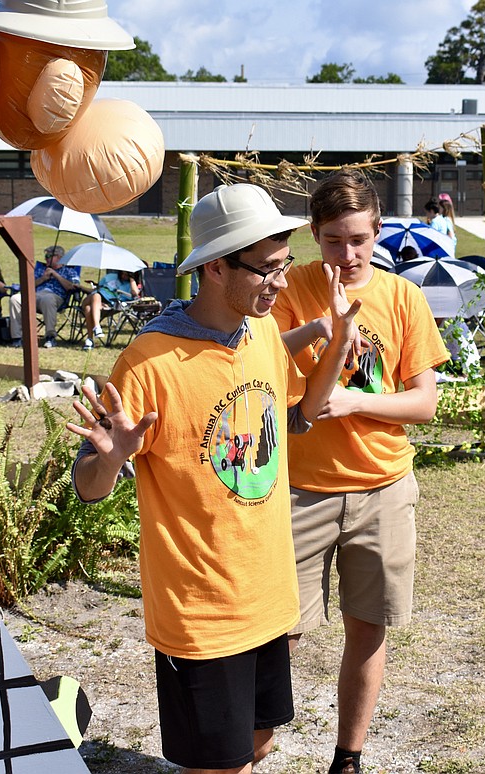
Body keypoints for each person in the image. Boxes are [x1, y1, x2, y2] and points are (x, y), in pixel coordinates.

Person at [68, 183, 362, 774]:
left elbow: (299, 415)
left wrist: (333, 340)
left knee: (257, 746)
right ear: (216, 267)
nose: (281, 284)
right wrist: (112, 456)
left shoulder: (257, 335)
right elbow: (87, 486)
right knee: (218, 766)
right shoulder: (148, 364)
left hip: (268, 596)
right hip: (201, 614)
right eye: (267, 271)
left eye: (284, 267)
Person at [272, 170, 449, 774]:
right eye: (332, 242)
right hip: (300, 491)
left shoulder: (403, 298)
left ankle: (348, 757)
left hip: (383, 488)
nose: (346, 256)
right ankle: (249, 749)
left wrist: (353, 402)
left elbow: (423, 404)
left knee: (368, 627)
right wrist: (326, 327)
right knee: (278, 632)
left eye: (358, 241)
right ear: (313, 238)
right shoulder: (290, 290)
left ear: (377, 233)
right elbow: (275, 375)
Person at [8, 245, 80, 348]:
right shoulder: (41, 270)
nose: (46, 258)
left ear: (59, 257)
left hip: (55, 296)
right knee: (15, 299)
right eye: (45, 256)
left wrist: (55, 275)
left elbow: (72, 287)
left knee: (48, 299)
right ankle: (17, 338)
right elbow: (27, 285)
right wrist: (43, 278)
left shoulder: (70, 271)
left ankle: (50, 337)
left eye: (49, 256)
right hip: (35, 295)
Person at [80, 269, 141, 349]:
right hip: (92, 298)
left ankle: (89, 340)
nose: (124, 276)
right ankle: (97, 327)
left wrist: (132, 279)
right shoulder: (110, 277)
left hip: (107, 303)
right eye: (122, 273)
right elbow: (96, 290)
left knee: (88, 309)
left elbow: (135, 294)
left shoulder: (129, 285)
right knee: (96, 295)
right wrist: (81, 287)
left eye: (127, 275)